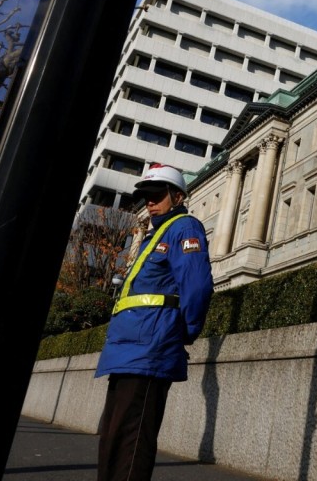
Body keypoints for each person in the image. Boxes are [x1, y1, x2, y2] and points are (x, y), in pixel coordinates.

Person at [95, 163, 214, 481]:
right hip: (127, 350)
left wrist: (185, 332)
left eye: (156, 194)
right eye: (145, 195)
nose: (149, 200)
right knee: (113, 440)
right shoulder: (153, 235)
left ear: (177, 196)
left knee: (131, 444)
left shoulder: (185, 227)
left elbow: (197, 285)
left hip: (149, 350)